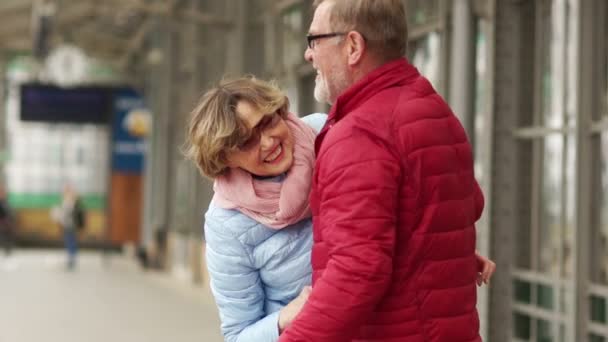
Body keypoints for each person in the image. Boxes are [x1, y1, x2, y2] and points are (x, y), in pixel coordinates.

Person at [185, 76, 495, 342]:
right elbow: (238, 334)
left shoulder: (324, 133)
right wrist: (283, 318)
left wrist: (441, 252)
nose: (267, 142)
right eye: (246, 142)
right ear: (224, 159)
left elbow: (376, 217)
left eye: (268, 122)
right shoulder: (226, 223)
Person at [278, 1, 492, 341]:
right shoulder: (432, 109)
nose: (309, 55)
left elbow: (356, 271)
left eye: (314, 40)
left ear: (352, 46)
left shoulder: (361, 133)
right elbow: (465, 205)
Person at [51, 184, 82, 270]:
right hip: (70, 224)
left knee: (70, 241)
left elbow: (66, 213)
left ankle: (71, 258)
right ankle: (71, 258)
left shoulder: (69, 201)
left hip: (70, 224)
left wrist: (59, 215)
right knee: (71, 241)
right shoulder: (72, 201)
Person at [0, 185, 15, 257]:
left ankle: (8, 249)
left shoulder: (5, 201)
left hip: (8, 221)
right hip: (3, 222)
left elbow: (9, 212)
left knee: (8, 235)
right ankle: (7, 248)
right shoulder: (2, 202)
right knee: (4, 235)